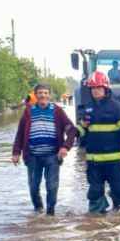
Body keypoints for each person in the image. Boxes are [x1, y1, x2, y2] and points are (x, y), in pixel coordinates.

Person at [12, 84, 78, 215]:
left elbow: (71, 130)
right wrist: (16, 153)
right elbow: (20, 133)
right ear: (35, 95)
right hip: (32, 156)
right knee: (33, 187)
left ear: (49, 95)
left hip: (53, 156)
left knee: (52, 186)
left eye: (46, 93)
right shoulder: (28, 111)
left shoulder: (57, 111)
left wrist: (65, 147)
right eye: (40, 93)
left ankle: (50, 214)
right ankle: (38, 210)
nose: (43, 95)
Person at [76, 71, 120, 213]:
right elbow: (82, 130)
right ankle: (96, 219)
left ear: (105, 88)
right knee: (95, 192)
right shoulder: (88, 108)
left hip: (113, 161)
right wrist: (76, 131)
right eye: (93, 88)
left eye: (98, 87)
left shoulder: (116, 107)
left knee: (119, 190)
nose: (95, 91)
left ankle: (119, 213)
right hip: (94, 161)